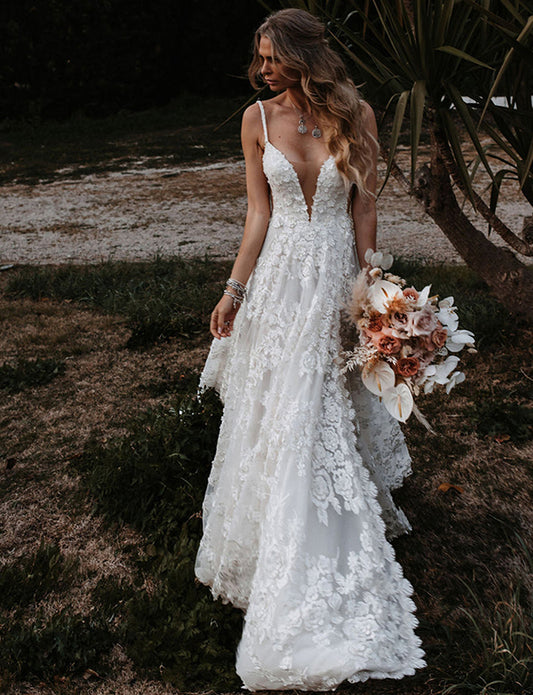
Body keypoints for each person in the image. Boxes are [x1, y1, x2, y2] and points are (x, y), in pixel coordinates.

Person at [195, 8, 426, 690]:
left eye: (272, 57)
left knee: (328, 404)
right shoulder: (254, 120)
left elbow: (362, 206)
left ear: (303, 56)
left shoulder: (359, 116)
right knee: (284, 408)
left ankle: (323, 541)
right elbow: (259, 213)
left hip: (334, 279)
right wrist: (234, 290)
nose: (262, 69)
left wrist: (372, 285)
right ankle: (278, 539)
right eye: (259, 59)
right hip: (279, 284)